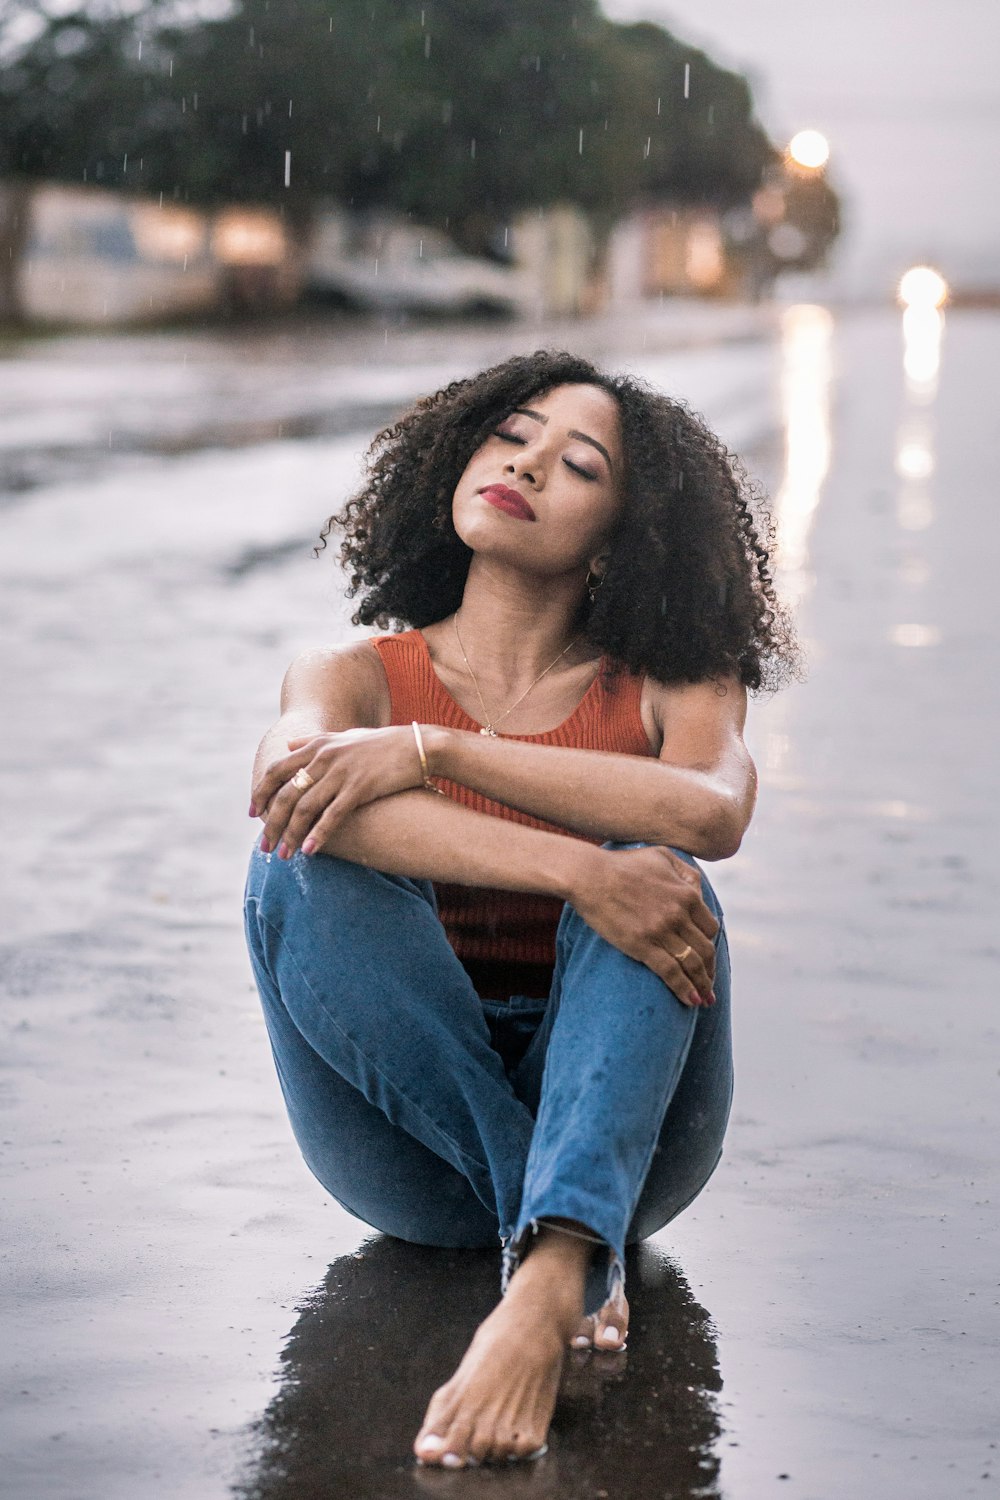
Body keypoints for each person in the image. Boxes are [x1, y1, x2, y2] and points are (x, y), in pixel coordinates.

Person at [243, 349, 795, 1470]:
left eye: (576, 463)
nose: (528, 464)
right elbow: (289, 797)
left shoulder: (672, 680)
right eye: (512, 436)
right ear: (458, 458)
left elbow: (710, 810)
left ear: (620, 531)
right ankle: (557, 1253)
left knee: (659, 869)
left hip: (625, 1117)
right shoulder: (350, 674)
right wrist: (576, 870)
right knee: (292, 864)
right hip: (405, 1136)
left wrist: (440, 749)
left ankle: (549, 1273)